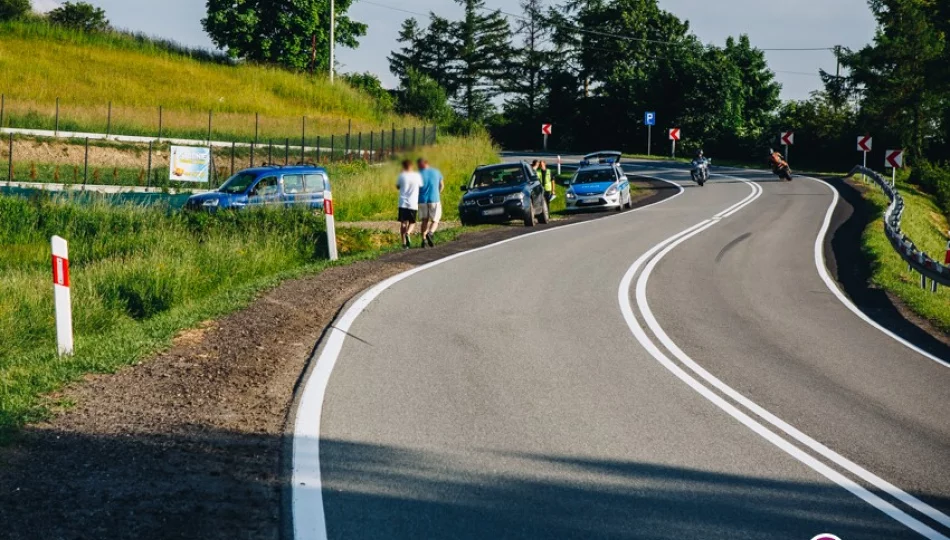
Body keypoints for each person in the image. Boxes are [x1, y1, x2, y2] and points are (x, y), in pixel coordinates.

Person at [417, 158, 444, 248]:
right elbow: (441, 185)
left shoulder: (418, 174)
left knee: (424, 220)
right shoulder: (436, 172)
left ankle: (423, 240)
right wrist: (438, 192)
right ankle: (430, 233)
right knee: (435, 219)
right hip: (434, 199)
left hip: (422, 200)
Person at [396, 159, 422, 249]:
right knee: (412, 222)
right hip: (413, 203)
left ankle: (403, 243)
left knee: (403, 223)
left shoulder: (401, 176)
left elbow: (398, 186)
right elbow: (420, 186)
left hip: (402, 202)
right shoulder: (417, 176)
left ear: (404, 167)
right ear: (411, 166)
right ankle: (408, 233)